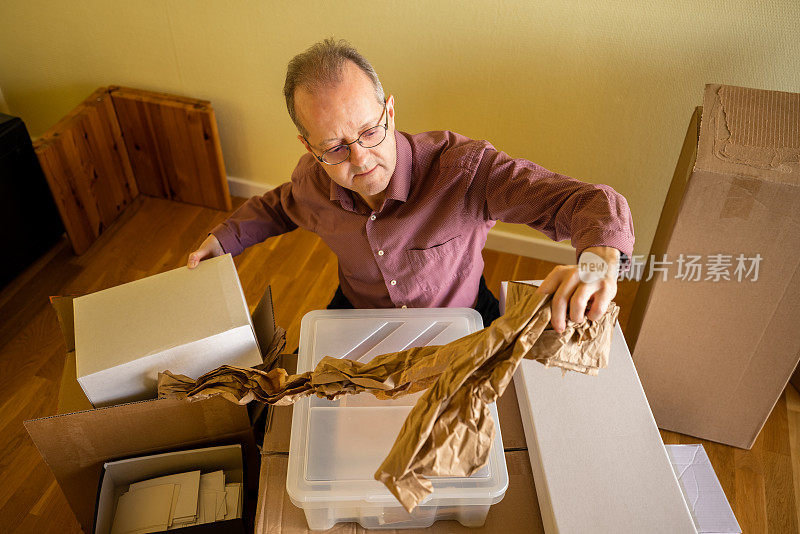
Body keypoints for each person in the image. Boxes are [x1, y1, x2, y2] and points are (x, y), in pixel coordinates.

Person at [188, 38, 634, 333]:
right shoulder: (311, 179)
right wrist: (222, 239)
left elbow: (587, 201)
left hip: (461, 316)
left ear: (390, 112)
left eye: (369, 131)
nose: (360, 159)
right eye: (335, 148)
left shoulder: (464, 170)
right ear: (308, 146)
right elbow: (279, 207)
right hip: (359, 314)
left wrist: (598, 263)